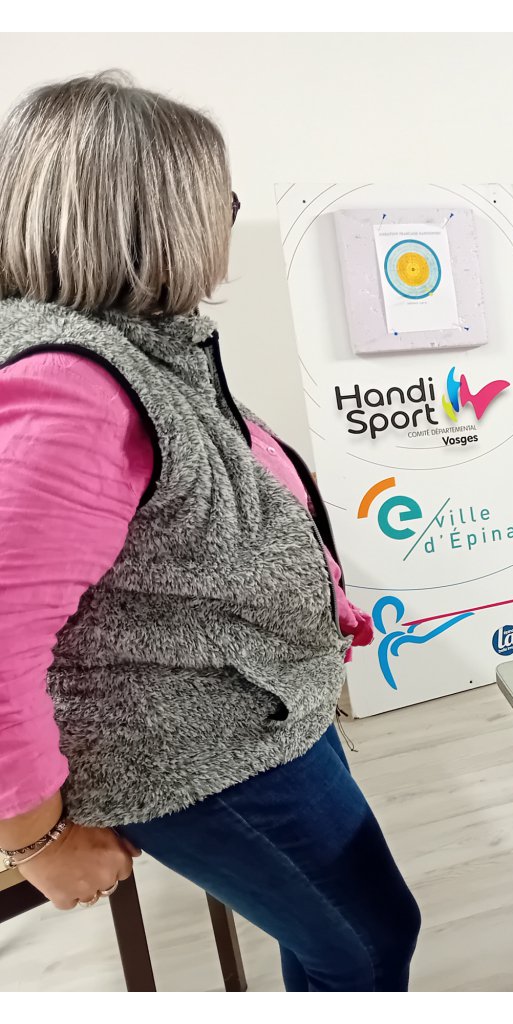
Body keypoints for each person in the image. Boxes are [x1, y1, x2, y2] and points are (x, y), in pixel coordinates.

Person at [0, 72, 420, 991]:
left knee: (342, 934)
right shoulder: (70, 386)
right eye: (219, 203)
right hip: (196, 749)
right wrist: (35, 838)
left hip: (249, 711)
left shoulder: (141, 345)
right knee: (366, 940)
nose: (226, 224)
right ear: (156, 220)